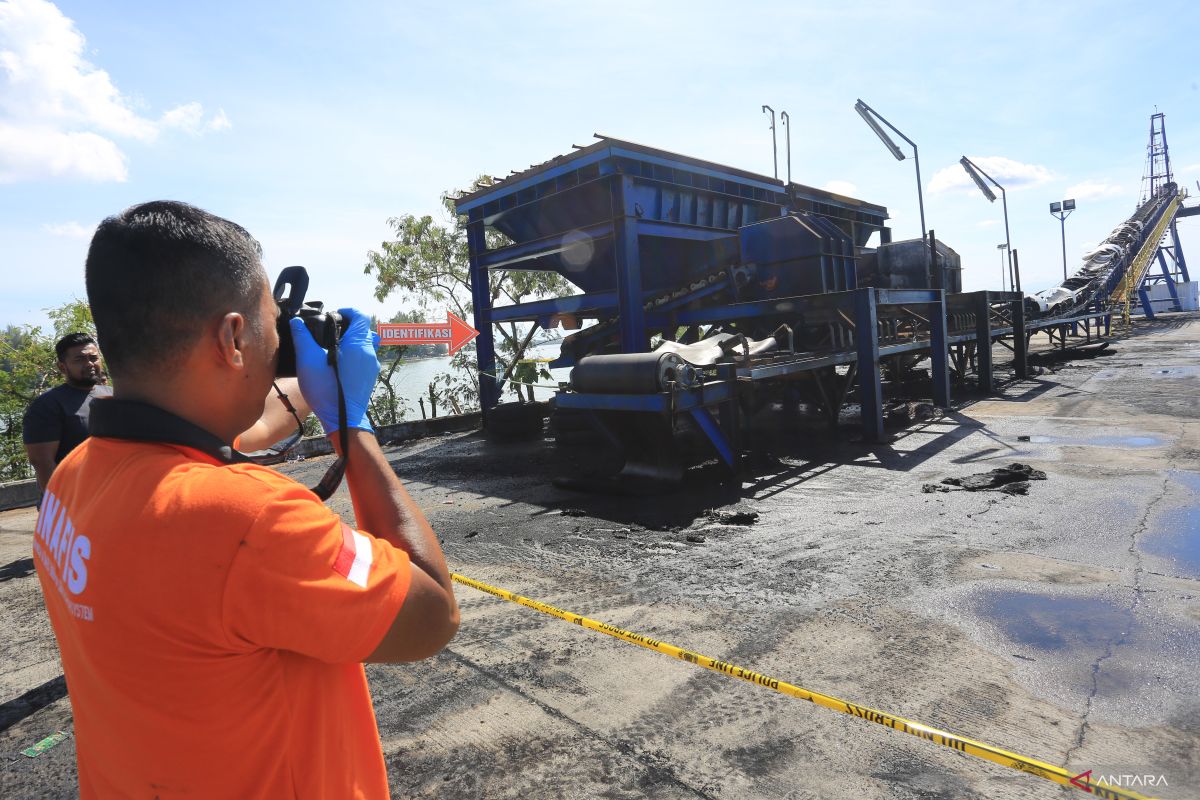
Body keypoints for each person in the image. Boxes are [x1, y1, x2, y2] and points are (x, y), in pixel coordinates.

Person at [32, 200, 459, 798]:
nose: (275, 340)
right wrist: (351, 426)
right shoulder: (248, 519)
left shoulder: (75, 477)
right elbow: (432, 617)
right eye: (269, 324)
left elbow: (218, 434)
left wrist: (314, 395)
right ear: (233, 335)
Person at [22, 333, 112, 492]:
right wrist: (60, 503)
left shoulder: (114, 395)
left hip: (118, 491)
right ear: (62, 367)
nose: (90, 364)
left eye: (93, 358)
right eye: (80, 359)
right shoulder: (47, 405)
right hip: (78, 498)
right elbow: (42, 462)